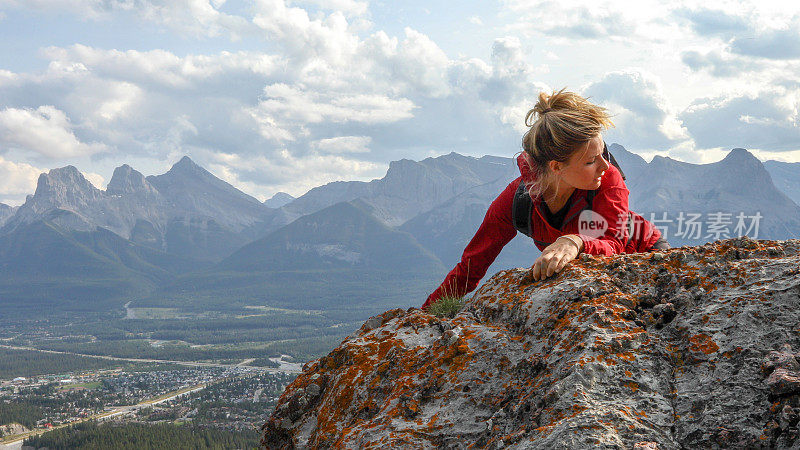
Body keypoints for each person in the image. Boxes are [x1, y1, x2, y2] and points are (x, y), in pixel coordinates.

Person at [422, 88, 668, 310]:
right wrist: (423, 318)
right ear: (556, 167)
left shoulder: (608, 179)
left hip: (647, 253)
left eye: (603, 153)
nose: (606, 165)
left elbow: (614, 245)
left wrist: (574, 242)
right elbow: (470, 268)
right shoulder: (516, 202)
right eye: (591, 160)